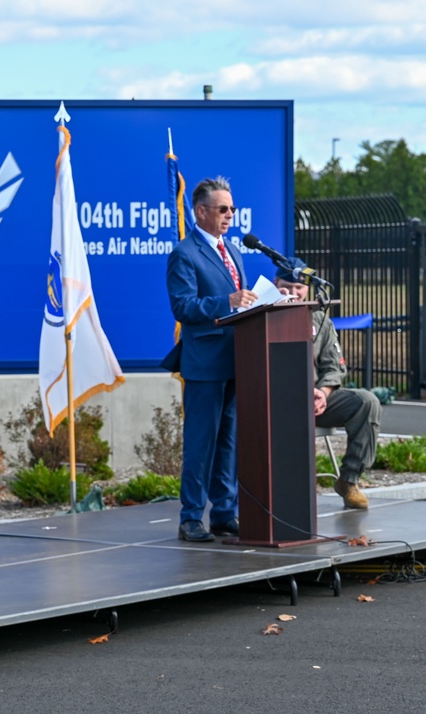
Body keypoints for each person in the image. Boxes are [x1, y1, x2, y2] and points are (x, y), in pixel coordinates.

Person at [164, 177, 258, 542]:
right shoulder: (185, 254)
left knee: (229, 442)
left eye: (232, 209)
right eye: (223, 209)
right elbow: (183, 306)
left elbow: (241, 299)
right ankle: (190, 518)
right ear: (200, 211)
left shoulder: (232, 250)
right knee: (201, 442)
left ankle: (224, 513)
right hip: (205, 363)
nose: (229, 215)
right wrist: (228, 302)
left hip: (238, 358)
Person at [274, 258, 381, 509]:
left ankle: (349, 480)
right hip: (277, 403)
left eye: (298, 288)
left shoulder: (319, 318)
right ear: (274, 283)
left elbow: (334, 366)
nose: (292, 293)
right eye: (285, 287)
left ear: (308, 289)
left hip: (316, 401)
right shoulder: (261, 314)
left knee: (367, 402)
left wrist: (323, 392)